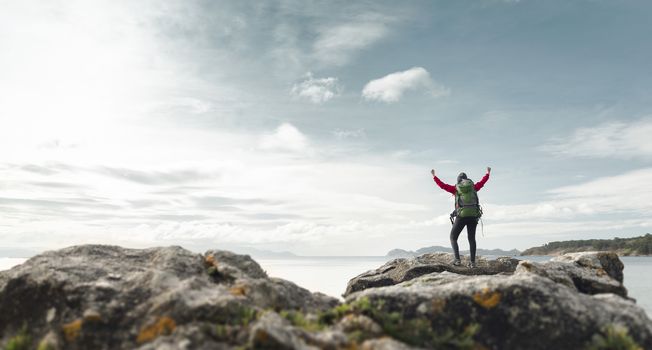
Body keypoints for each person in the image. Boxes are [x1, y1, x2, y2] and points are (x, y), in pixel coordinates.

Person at [431, 167, 491, 268]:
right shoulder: (474, 187)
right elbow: (482, 182)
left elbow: (442, 186)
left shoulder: (456, 188)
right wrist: (488, 173)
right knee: (472, 239)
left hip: (461, 216)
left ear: (458, 180)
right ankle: (472, 263)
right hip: (473, 216)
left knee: (453, 237)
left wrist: (434, 176)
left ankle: (457, 260)